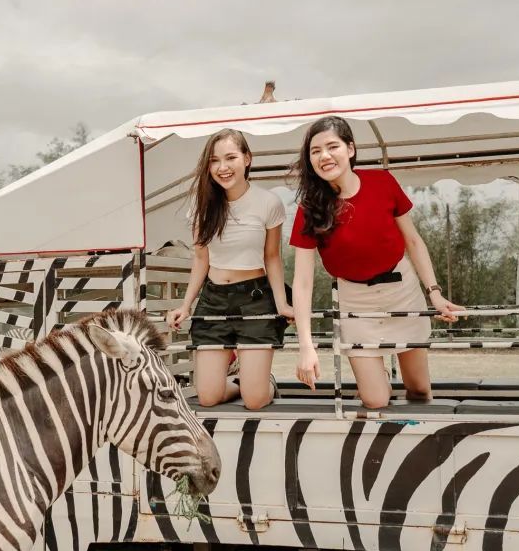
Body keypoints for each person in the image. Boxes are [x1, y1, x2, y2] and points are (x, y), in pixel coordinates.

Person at [289, 116, 460, 409]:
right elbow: (302, 282)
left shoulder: (382, 182)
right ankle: (376, 380)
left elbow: (413, 241)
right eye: (315, 151)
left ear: (350, 149)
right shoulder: (309, 208)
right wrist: (306, 346)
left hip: (402, 290)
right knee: (375, 399)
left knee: (419, 391)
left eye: (332, 146)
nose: (324, 156)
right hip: (355, 301)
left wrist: (435, 293)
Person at [167, 128, 293, 409]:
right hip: (214, 300)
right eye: (214, 161)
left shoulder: (268, 202)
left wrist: (282, 304)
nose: (222, 167)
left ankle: (263, 384)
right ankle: (242, 382)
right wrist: (185, 305)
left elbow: (272, 257)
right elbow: (201, 259)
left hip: (255, 299)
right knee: (208, 397)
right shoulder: (201, 205)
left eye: (230, 158)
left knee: (255, 400)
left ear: (247, 159)